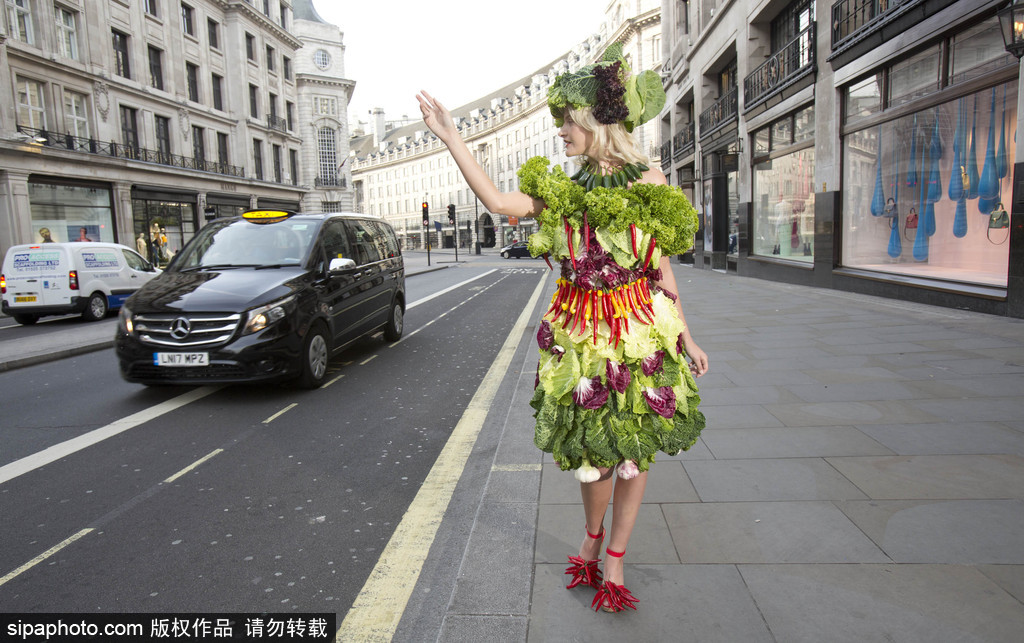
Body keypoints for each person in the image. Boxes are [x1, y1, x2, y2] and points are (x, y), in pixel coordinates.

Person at [418, 43, 708, 614]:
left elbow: (662, 267)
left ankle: (616, 554)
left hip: (639, 331)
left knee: (636, 450)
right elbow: (499, 199)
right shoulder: (564, 193)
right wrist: (453, 138)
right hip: (581, 340)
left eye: (566, 123)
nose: (560, 133)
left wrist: (688, 337)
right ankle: (593, 535)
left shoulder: (649, 180)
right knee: (591, 455)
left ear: (596, 120)